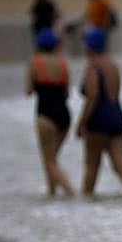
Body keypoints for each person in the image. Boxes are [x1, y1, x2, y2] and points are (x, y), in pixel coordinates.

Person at [76, 28, 122, 197]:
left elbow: (92, 97)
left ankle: (85, 204)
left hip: (98, 118)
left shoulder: (92, 67)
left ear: (90, 46)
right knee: (120, 165)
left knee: (92, 167)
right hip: (117, 116)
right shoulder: (113, 66)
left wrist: (82, 122)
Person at [26, 28, 75, 197]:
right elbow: (67, 93)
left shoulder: (35, 63)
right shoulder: (62, 64)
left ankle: (70, 193)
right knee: (52, 159)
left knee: (49, 162)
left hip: (45, 115)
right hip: (65, 116)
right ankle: (51, 193)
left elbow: (28, 91)